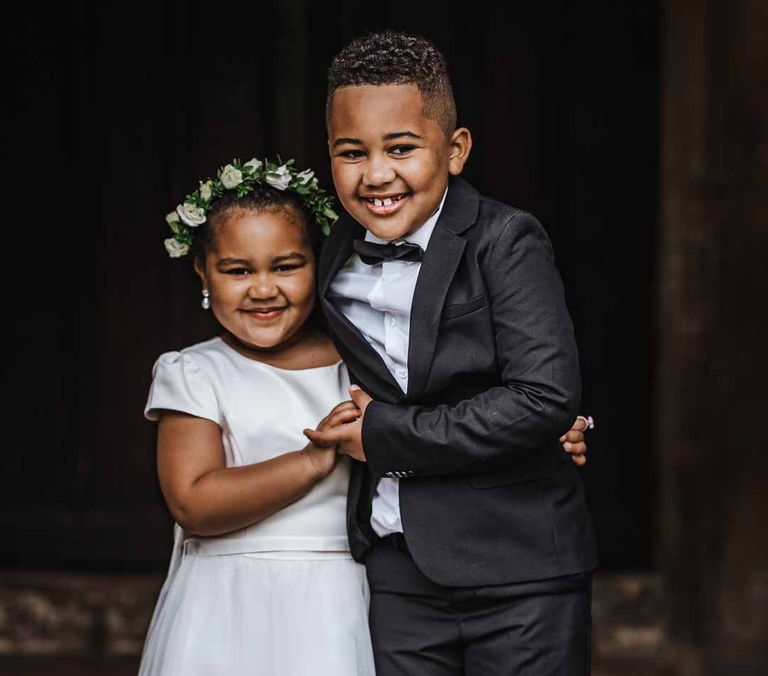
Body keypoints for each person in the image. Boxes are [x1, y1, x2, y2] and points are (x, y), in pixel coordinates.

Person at [139, 155, 591, 674]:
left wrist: (543, 428)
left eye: (286, 267)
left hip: (342, 594)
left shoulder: (360, 361)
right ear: (203, 271)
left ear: (322, 263)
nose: (263, 289)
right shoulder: (194, 371)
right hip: (231, 599)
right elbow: (193, 501)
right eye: (237, 271)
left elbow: (454, 411)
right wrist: (311, 461)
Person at [304, 31, 599, 675]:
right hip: (396, 568)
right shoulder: (329, 254)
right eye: (351, 153)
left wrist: (384, 435)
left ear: (456, 149)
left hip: (519, 568)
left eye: (401, 148)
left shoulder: (505, 240)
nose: (376, 174)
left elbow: (543, 397)